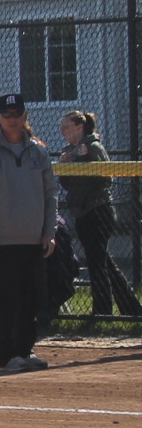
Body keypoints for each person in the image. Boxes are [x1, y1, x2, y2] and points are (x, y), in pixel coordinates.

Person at [0, 93, 60, 372]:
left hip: (33, 239)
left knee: (29, 298)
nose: (12, 120)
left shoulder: (39, 152)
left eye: (17, 115)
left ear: (25, 117)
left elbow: (50, 194)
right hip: (1, 242)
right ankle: (7, 355)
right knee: (4, 301)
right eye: (7, 115)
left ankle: (25, 350)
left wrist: (49, 231)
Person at [56, 109, 141, 319]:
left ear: (79, 127)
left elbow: (107, 178)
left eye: (66, 127)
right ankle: (131, 308)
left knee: (97, 263)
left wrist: (83, 161)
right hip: (81, 211)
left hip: (99, 210)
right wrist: (67, 163)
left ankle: (102, 311)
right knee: (102, 262)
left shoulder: (93, 147)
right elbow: (65, 183)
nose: (63, 131)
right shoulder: (69, 151)